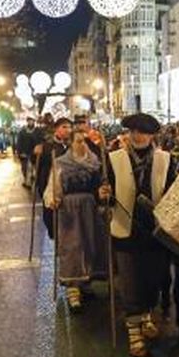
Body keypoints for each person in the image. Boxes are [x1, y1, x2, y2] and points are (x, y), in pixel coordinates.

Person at [103, 113, 178, 357]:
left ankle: (146, 315)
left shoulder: (166, 160)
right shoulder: (113, 159)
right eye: (133, 131)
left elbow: (174, 191)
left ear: (152, 135)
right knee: (130, 281)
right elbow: (104, 193)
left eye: (142, 132)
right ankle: (134, 330)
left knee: (152, 279)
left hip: (154, 232)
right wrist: (102, 193)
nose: (137, 136)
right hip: (125, 229)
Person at [44, 129, 108, 310]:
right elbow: (54, 187)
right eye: (79, 141)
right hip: (70, 211)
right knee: (73, 247)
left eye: (85, 141)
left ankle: (86, 282)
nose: (82, 145)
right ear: (71, 143)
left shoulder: (95, 163)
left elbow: (99, 185)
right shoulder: (61, 163)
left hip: (90, 208)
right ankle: (73, 290)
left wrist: (101, 193)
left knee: (90, 245)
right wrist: (54, 198)